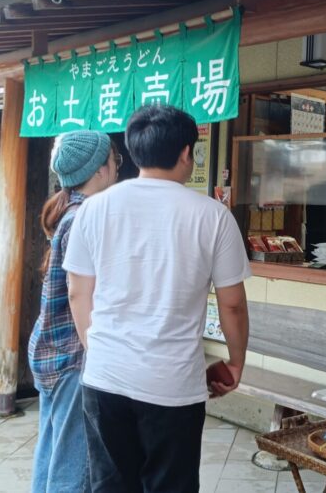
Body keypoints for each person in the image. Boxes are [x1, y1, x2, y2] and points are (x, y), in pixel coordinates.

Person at [64, 105, 251, 493]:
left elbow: (78, 291)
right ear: (186, 153)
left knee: (110, 486)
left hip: (104, 378)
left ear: (133, 152)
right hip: (172, 385)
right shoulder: (213, 216)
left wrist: (97, 348)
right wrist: (234, 362)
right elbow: (231, 303)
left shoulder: (94, 209)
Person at [28, 131, 118, 493]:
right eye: (115, 162)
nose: (117, 170)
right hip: (74, 355)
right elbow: (85, 294)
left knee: (50, 452)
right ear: (99, 169)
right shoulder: (88, 217)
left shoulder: (68, 211)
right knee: (72, 465)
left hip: (51, 349)